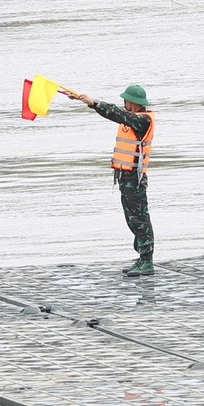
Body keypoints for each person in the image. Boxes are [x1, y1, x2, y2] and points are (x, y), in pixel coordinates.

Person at [60, 85, 157, 276]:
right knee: (131, 219)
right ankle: (141, 258)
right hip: (125, 178)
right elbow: (117, 115)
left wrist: (93, 102)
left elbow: (117, 114)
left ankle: (147, 261)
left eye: (126, 100)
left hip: (135, 180)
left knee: (140, 220)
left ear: (134, 103)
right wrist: (84, 100)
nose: (124, 103)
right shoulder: (131, 119)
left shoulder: (142, 120)